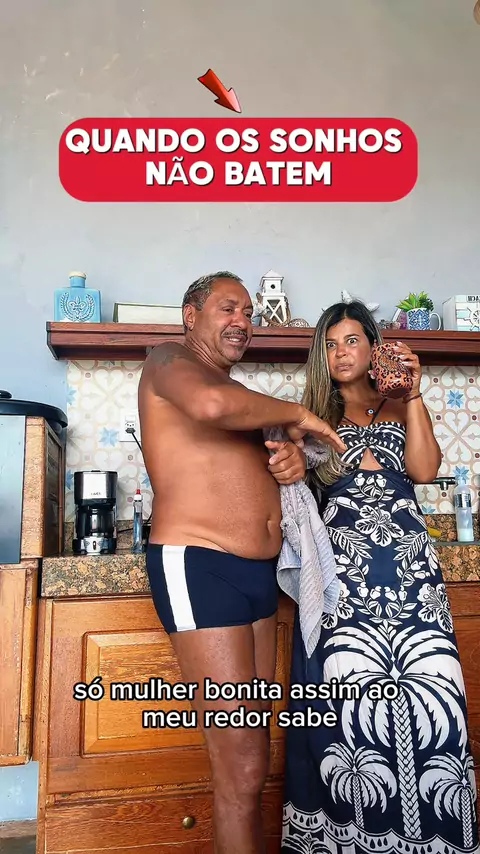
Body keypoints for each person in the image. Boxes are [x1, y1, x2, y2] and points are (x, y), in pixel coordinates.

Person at [137, 271, 346, 854]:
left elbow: (263, 469)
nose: (242, 321)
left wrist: (290, 464)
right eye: (228, 308)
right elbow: (209, 404)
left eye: (249, 313)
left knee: (254, 760)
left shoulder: (242, 399)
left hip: (257, 579)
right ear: (190, 315)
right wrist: (301, 414)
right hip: (201, 566)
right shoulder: (168, 361)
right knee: (238, 766)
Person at [281, 300, 479, 853]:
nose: (341, 353)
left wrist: (413, 393)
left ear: (374, 347)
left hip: (413, 575)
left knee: (431, 693)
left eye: (352, 340)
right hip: (343, 579)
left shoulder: (398, 404)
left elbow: (424, 470)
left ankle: (434, 838)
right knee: (348, 707)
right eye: (330, 344)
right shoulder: (309, 417)